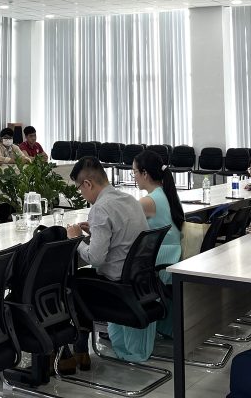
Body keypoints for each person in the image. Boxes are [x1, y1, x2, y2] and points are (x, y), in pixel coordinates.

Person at [61, 157, 147, 372]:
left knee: (69, 284)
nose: (82, 194)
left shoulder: (100, 208)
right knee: (81, 280)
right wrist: (95, 232)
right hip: (138, 281)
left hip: (116, 286)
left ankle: (73, 352)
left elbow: (95, 258)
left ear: (87, 184)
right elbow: (121, 236)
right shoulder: (129, 199)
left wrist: (76, 239)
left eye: (80, 189)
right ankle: (81, 352)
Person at [107, 150, 184, 362]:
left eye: (134, 172)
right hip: (169, 258)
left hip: (158, 264)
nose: (133, 177)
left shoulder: (148, 201)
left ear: (144, 173)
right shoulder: (165, 194)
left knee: (110, 270)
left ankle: (123, 331)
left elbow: (119, 223)